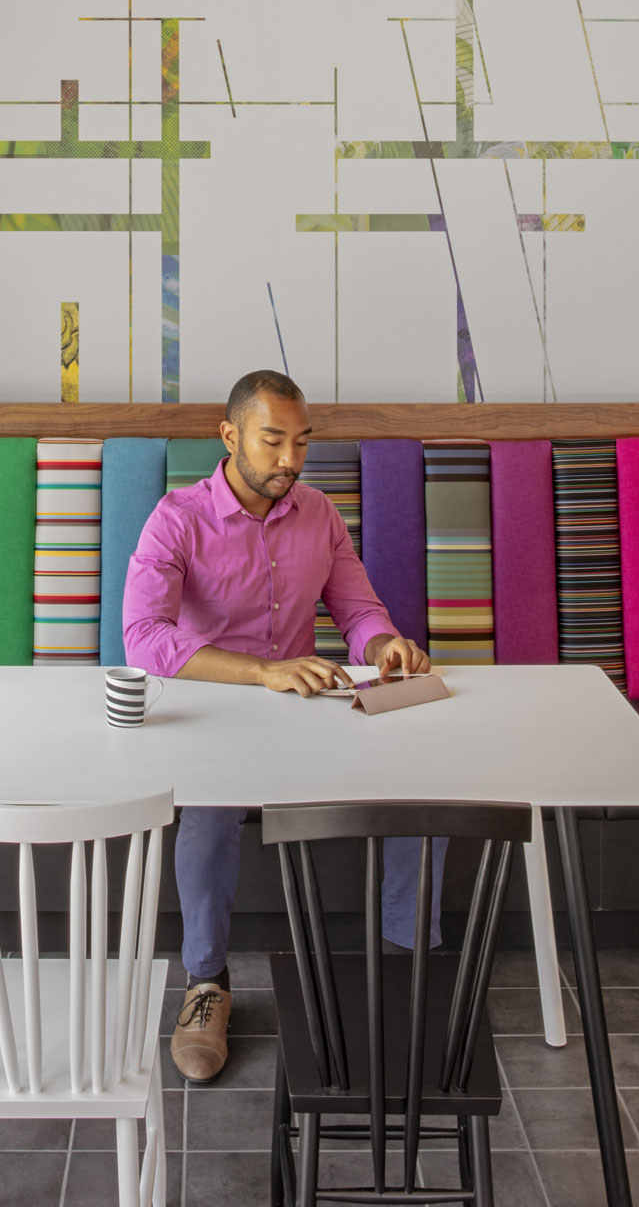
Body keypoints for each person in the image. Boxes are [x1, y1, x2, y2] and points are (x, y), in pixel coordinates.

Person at [122, 369, 446, 1083]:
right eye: (272, 440)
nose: (289, 460)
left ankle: (406, 969)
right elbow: (142, 638)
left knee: (422, 786)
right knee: (205, 815)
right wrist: (258, 671)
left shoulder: (320, 515)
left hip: (304, 710)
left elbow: (357, 612)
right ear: (230, 435)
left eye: (300, 442)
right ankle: (204, 985)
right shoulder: (176, 518)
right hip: (215, 711)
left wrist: (382, 645)